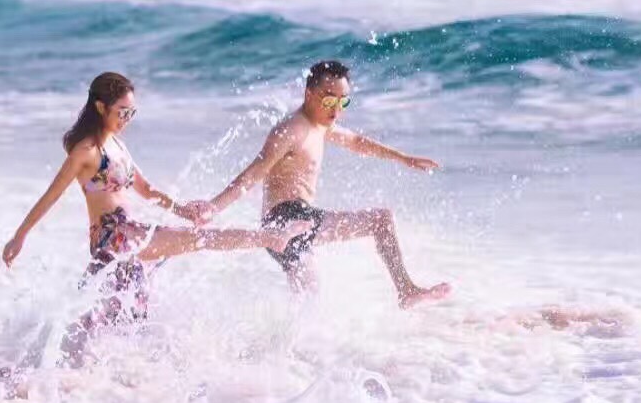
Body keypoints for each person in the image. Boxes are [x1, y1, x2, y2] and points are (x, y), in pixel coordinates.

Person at [2, 72, 311, 363]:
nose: (127, 119)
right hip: (114, 237)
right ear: (100, 107)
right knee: (199, 241)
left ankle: (72, 367)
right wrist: (20, 236)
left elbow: (146, 189)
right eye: (122, 111)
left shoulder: (117, 145)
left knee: (120, 317)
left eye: (131, 113)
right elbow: (51, 195)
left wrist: (183, 211)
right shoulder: (87, 151)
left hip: (129, 236)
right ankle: (272, 238)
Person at [193, 60, 451, 308]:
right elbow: (253, 173)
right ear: (309, 94)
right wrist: (213, 207)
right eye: (329, 100)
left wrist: (403, 158)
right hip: (286, 220)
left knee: (309, 302)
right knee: (378, 223)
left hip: (294, 223)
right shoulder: (291, 131)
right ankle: (405, 291)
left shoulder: (320, 125)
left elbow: (356, 142)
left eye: (343, 101)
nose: (336, 110)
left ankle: (405, 292)